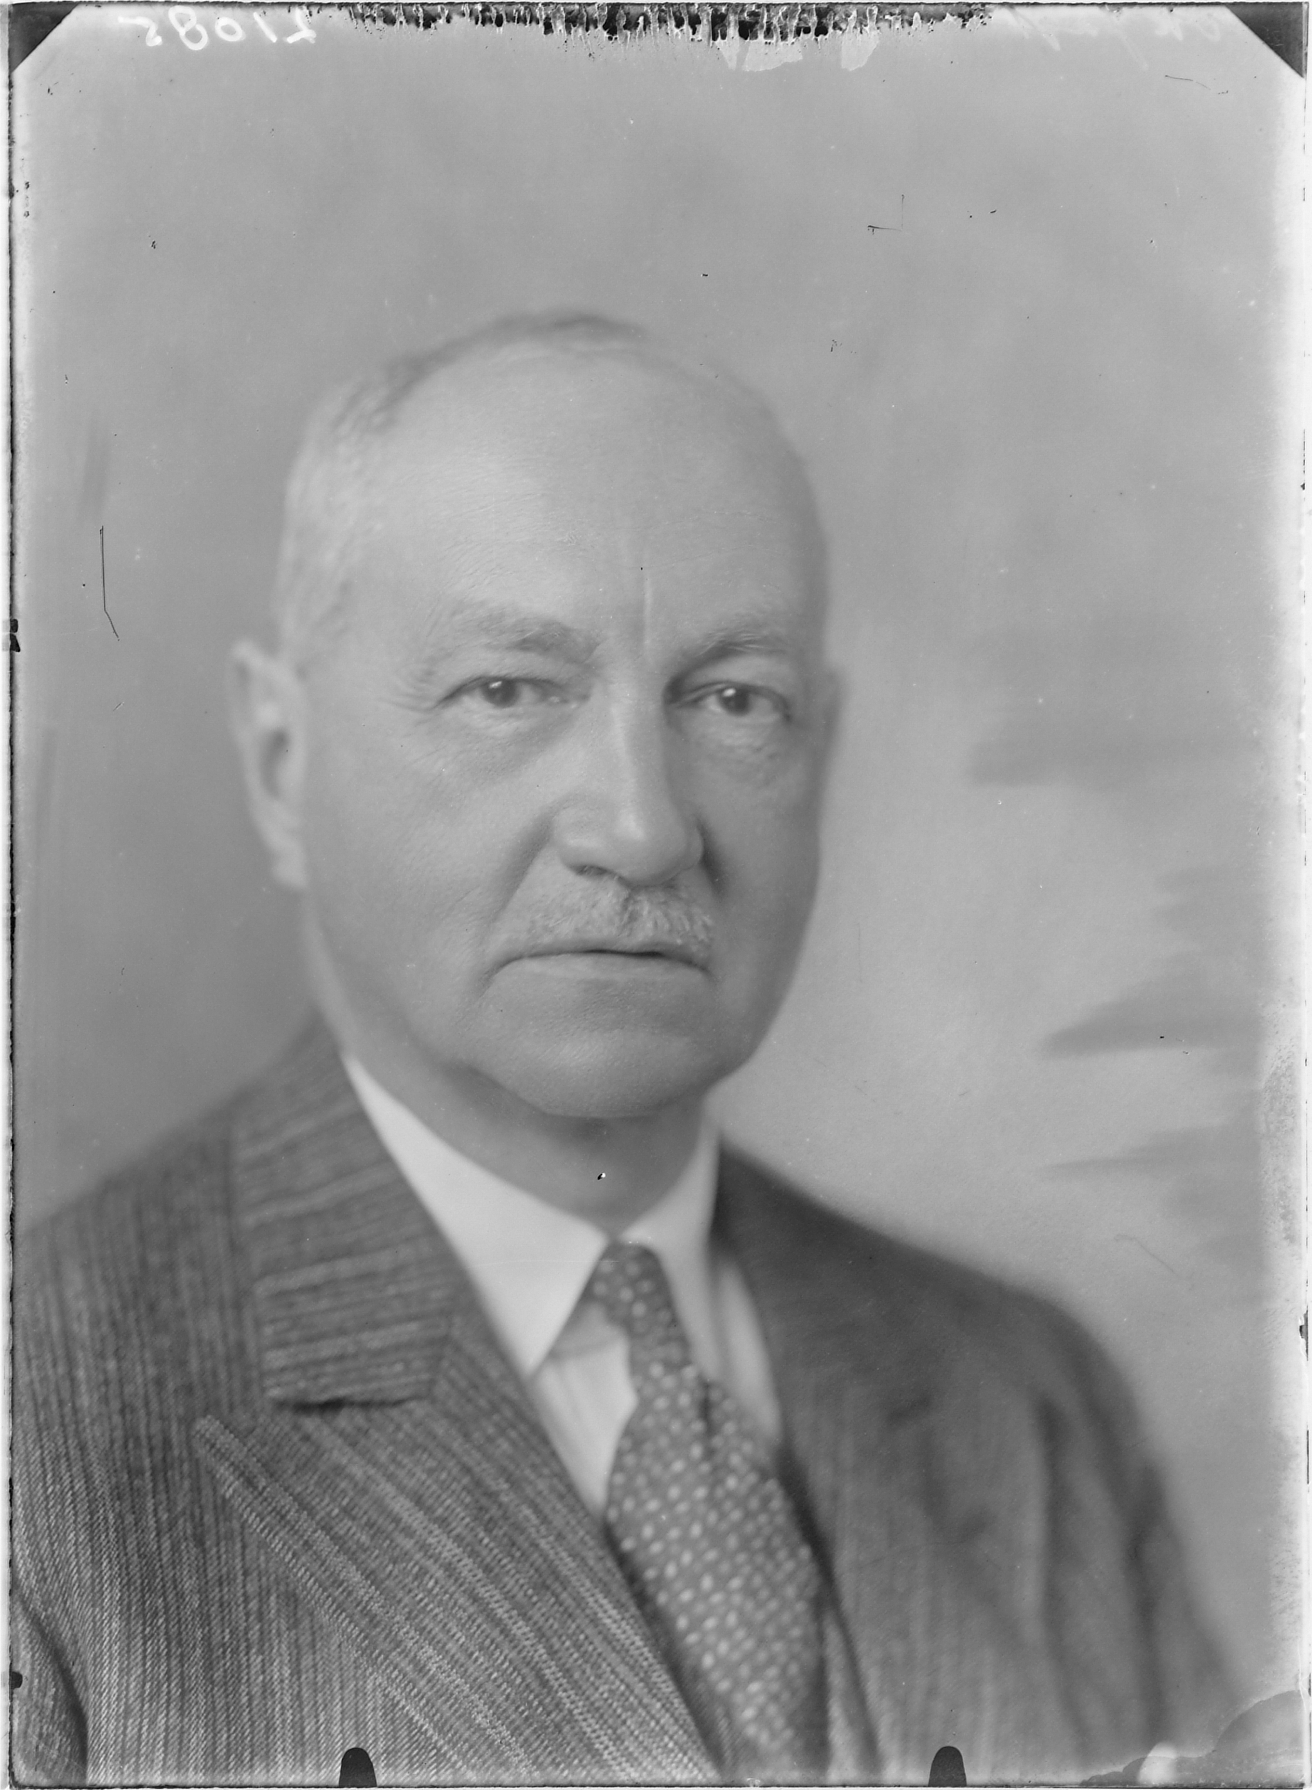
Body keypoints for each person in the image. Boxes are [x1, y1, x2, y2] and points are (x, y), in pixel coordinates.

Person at [11, 315, 1232, 1787]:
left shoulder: (1033, 1404)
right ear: (283, 762)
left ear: (821, 762)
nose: (644, 826)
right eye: (509, 690)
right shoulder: (37, 1429)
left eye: (734, 701)